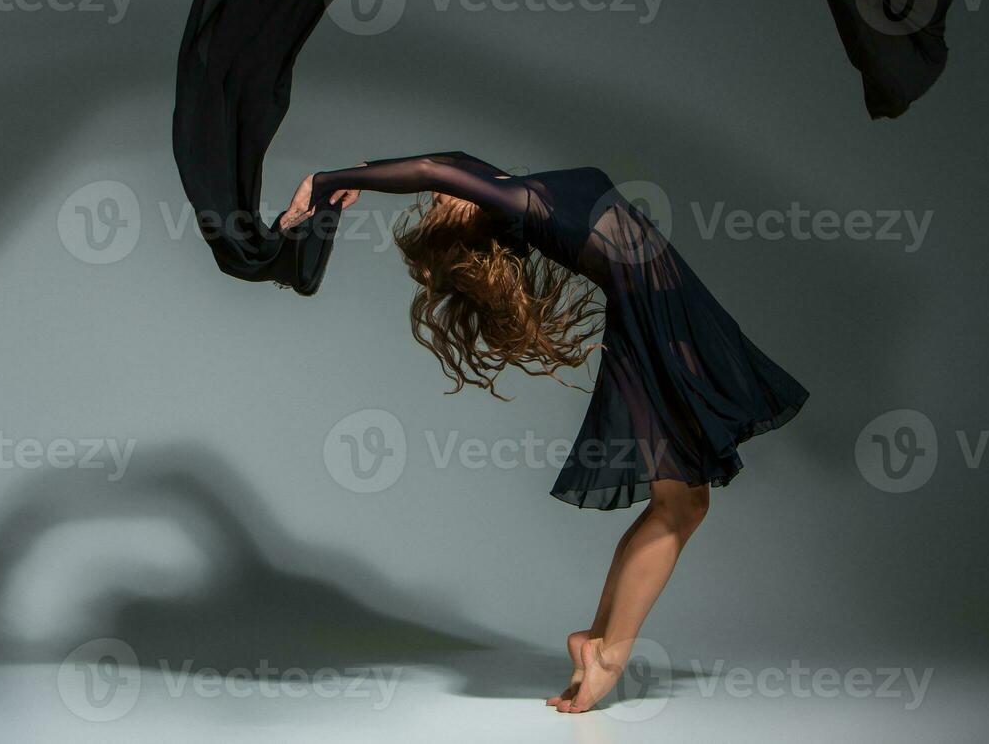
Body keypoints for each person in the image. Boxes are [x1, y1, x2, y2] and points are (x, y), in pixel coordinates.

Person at [279, 151, 809, 713]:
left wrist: (355, 174)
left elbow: (449, 159)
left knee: (680, 503)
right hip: (659, 321)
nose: (438, 194)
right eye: (441, 202)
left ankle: (599, 639)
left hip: (658, 314)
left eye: (437, 196)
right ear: (472, 214)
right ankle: (607, 650)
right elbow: (435, 169)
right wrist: (326, 180)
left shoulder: (513, 190)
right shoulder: (523, 203)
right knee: (681, 505)